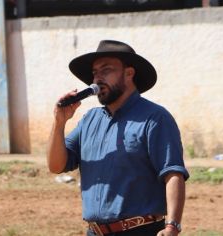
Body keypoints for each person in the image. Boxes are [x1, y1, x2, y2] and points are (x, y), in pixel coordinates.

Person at [47, 40, 189, 236]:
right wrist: (59, 122)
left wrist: (173, 226)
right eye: (95, 73)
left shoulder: (155, 118)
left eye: (106, 70)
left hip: (140, 231)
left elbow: (173, 174)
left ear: (129, 74)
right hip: (95, 232)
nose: (97, 78)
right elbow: (56, 166)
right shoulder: (89, 120)